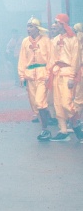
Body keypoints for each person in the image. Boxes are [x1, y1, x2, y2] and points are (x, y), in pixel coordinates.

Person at [46, 14, 82, 142]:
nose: (54, 25)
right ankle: (63, 131)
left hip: (67, 74)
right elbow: (51, 58)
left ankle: (77, 125)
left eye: (57, 22)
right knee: (57, 104)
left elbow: (76, 59)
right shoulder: (55, 40)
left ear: (63, 24)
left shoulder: (73, 40)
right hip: (56, 74)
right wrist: (48, 74)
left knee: (67, 103)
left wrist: (72, 76)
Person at [17, 18, 53, 140]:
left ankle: (45, 129)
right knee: (34, 104)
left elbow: (50, 58)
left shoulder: (46, 41)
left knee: (40, 102)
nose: (28, 29)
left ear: (37, 28)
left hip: (43, 74)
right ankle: (46, 118)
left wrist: (49, 73)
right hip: (30, 76)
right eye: (27, 26)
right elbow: (22, 59)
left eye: (31, 26)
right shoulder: (25, 41)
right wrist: (22, 75)